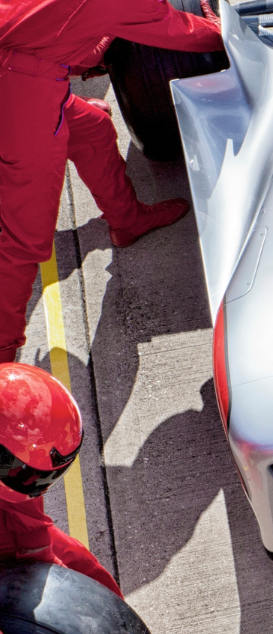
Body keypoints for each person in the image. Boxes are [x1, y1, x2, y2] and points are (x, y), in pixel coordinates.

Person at [0, 0, 224, 364]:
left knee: (93, 130)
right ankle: (4, 359)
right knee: (26, 239)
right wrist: (222, 30)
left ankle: (128, 221)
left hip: (23, 67)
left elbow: (64, 21)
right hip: (21, 88)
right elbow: (186, 33)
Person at [0, 363, 211, 634]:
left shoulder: (15, 454)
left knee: (81, 568)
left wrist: (45, 563)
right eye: (28, 475)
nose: (40, 485)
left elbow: (27, 512)